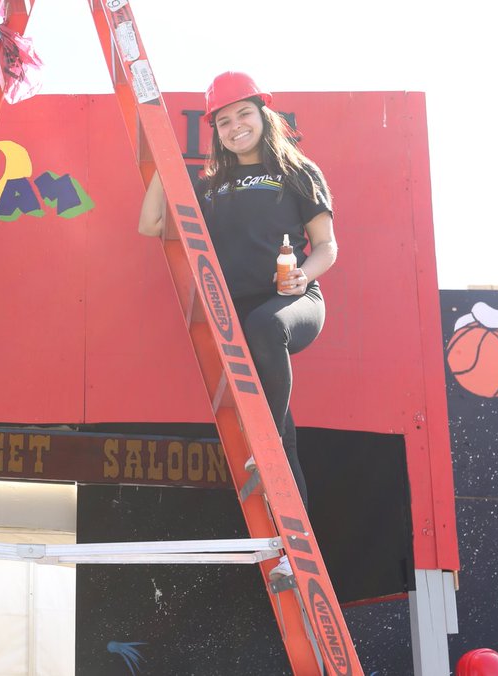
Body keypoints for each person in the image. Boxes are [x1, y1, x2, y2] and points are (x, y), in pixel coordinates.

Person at [138, 71, 337, 580]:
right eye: (223, 120)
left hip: (294, 303)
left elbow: (328, 247)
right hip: (238, 319)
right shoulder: (212, 185)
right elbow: (151, 225)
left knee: (265, 327)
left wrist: (301, 280)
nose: (235, 126)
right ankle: (297, 554)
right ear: (216, 130)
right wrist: (164, 165)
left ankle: (261, 446)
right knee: (285, 435)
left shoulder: (297, 170)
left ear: (262, 115)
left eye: (243, 113)